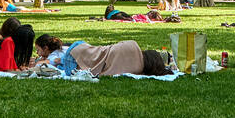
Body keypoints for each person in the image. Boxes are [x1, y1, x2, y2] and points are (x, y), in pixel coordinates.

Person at [34, 35, 171, 77]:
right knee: (62, 65)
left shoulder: (132, 45)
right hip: (77, 54)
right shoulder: (137, 68)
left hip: (79, 48)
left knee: (60, 63)